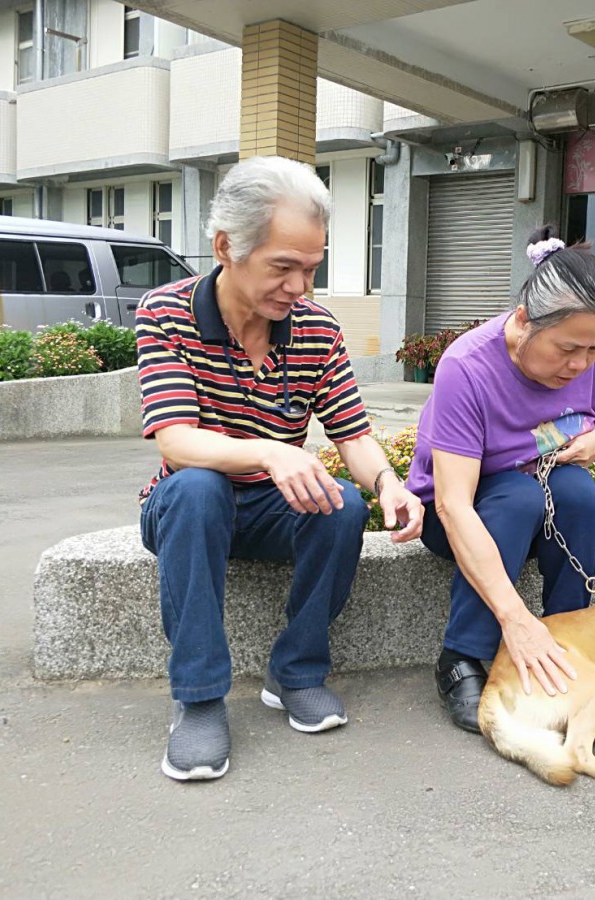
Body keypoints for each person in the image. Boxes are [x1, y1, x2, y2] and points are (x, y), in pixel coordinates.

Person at [135, 156, 424, 781]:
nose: (299, 287)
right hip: (187, 507)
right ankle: (199, 700)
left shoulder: (316, 329)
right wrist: (271, 450)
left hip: (269, 508)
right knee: (197, 490)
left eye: (311, 268)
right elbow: (177, 440)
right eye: (283, 267)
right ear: (226, 247)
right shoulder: (167, 312)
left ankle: (295, 673)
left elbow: (352, 435)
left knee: (345, 504)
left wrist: (388, 483)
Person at [405, 226, 595, 732]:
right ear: (524, 321)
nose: (580, 365)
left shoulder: (589, 344)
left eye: (594, 351)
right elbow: (453, 505)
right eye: (567, 349)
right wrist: (515, 619)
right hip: (464, 517)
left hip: (541, 500)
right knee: (518, 495)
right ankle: (462, 655)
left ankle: (566, 636)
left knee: (579, 496)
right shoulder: (467, 365)